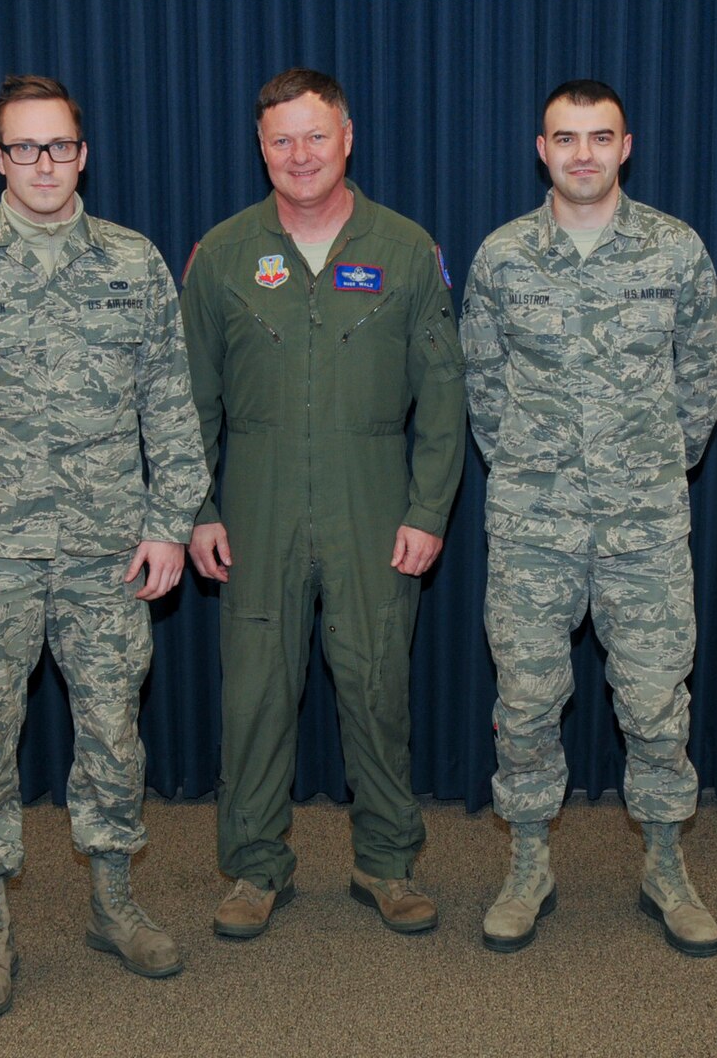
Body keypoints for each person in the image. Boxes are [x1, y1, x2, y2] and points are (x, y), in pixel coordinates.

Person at [0, 75, 208, 1017]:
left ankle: (112, 903)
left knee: (112, 736)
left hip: (109, 557)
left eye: (59, 146)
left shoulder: (133, 265)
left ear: (82, 152)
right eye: (24, 149)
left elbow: (170, 410)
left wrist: (168, 524)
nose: (44, 165)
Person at [180, 68, 466, 939]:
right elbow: (186, 400)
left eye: (314, 135)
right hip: (257, 498)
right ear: (259, 148)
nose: (298, 155)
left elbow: (444, 396)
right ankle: (254, 868)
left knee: (377, 684)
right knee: (256, 693)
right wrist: (195, 507)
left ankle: (386, 861)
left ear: (348, 138)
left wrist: (426, 512)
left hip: (373, 496)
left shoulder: (407, 250)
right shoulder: (221, 255)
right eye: (280, 139)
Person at [460, 80, 717, 957]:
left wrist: (654, 466)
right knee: (528, 703)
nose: (582, 153)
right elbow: (481, 382)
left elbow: (703, 371)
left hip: (642, 528)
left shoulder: (674, 250)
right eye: (564, 138)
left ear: (626, 146)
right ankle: (528, 863)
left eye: (598, 137)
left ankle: (663, 866)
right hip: (534, 527)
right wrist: (533, 470)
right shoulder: (502, 256)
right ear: (541, 148)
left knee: (655, 704)